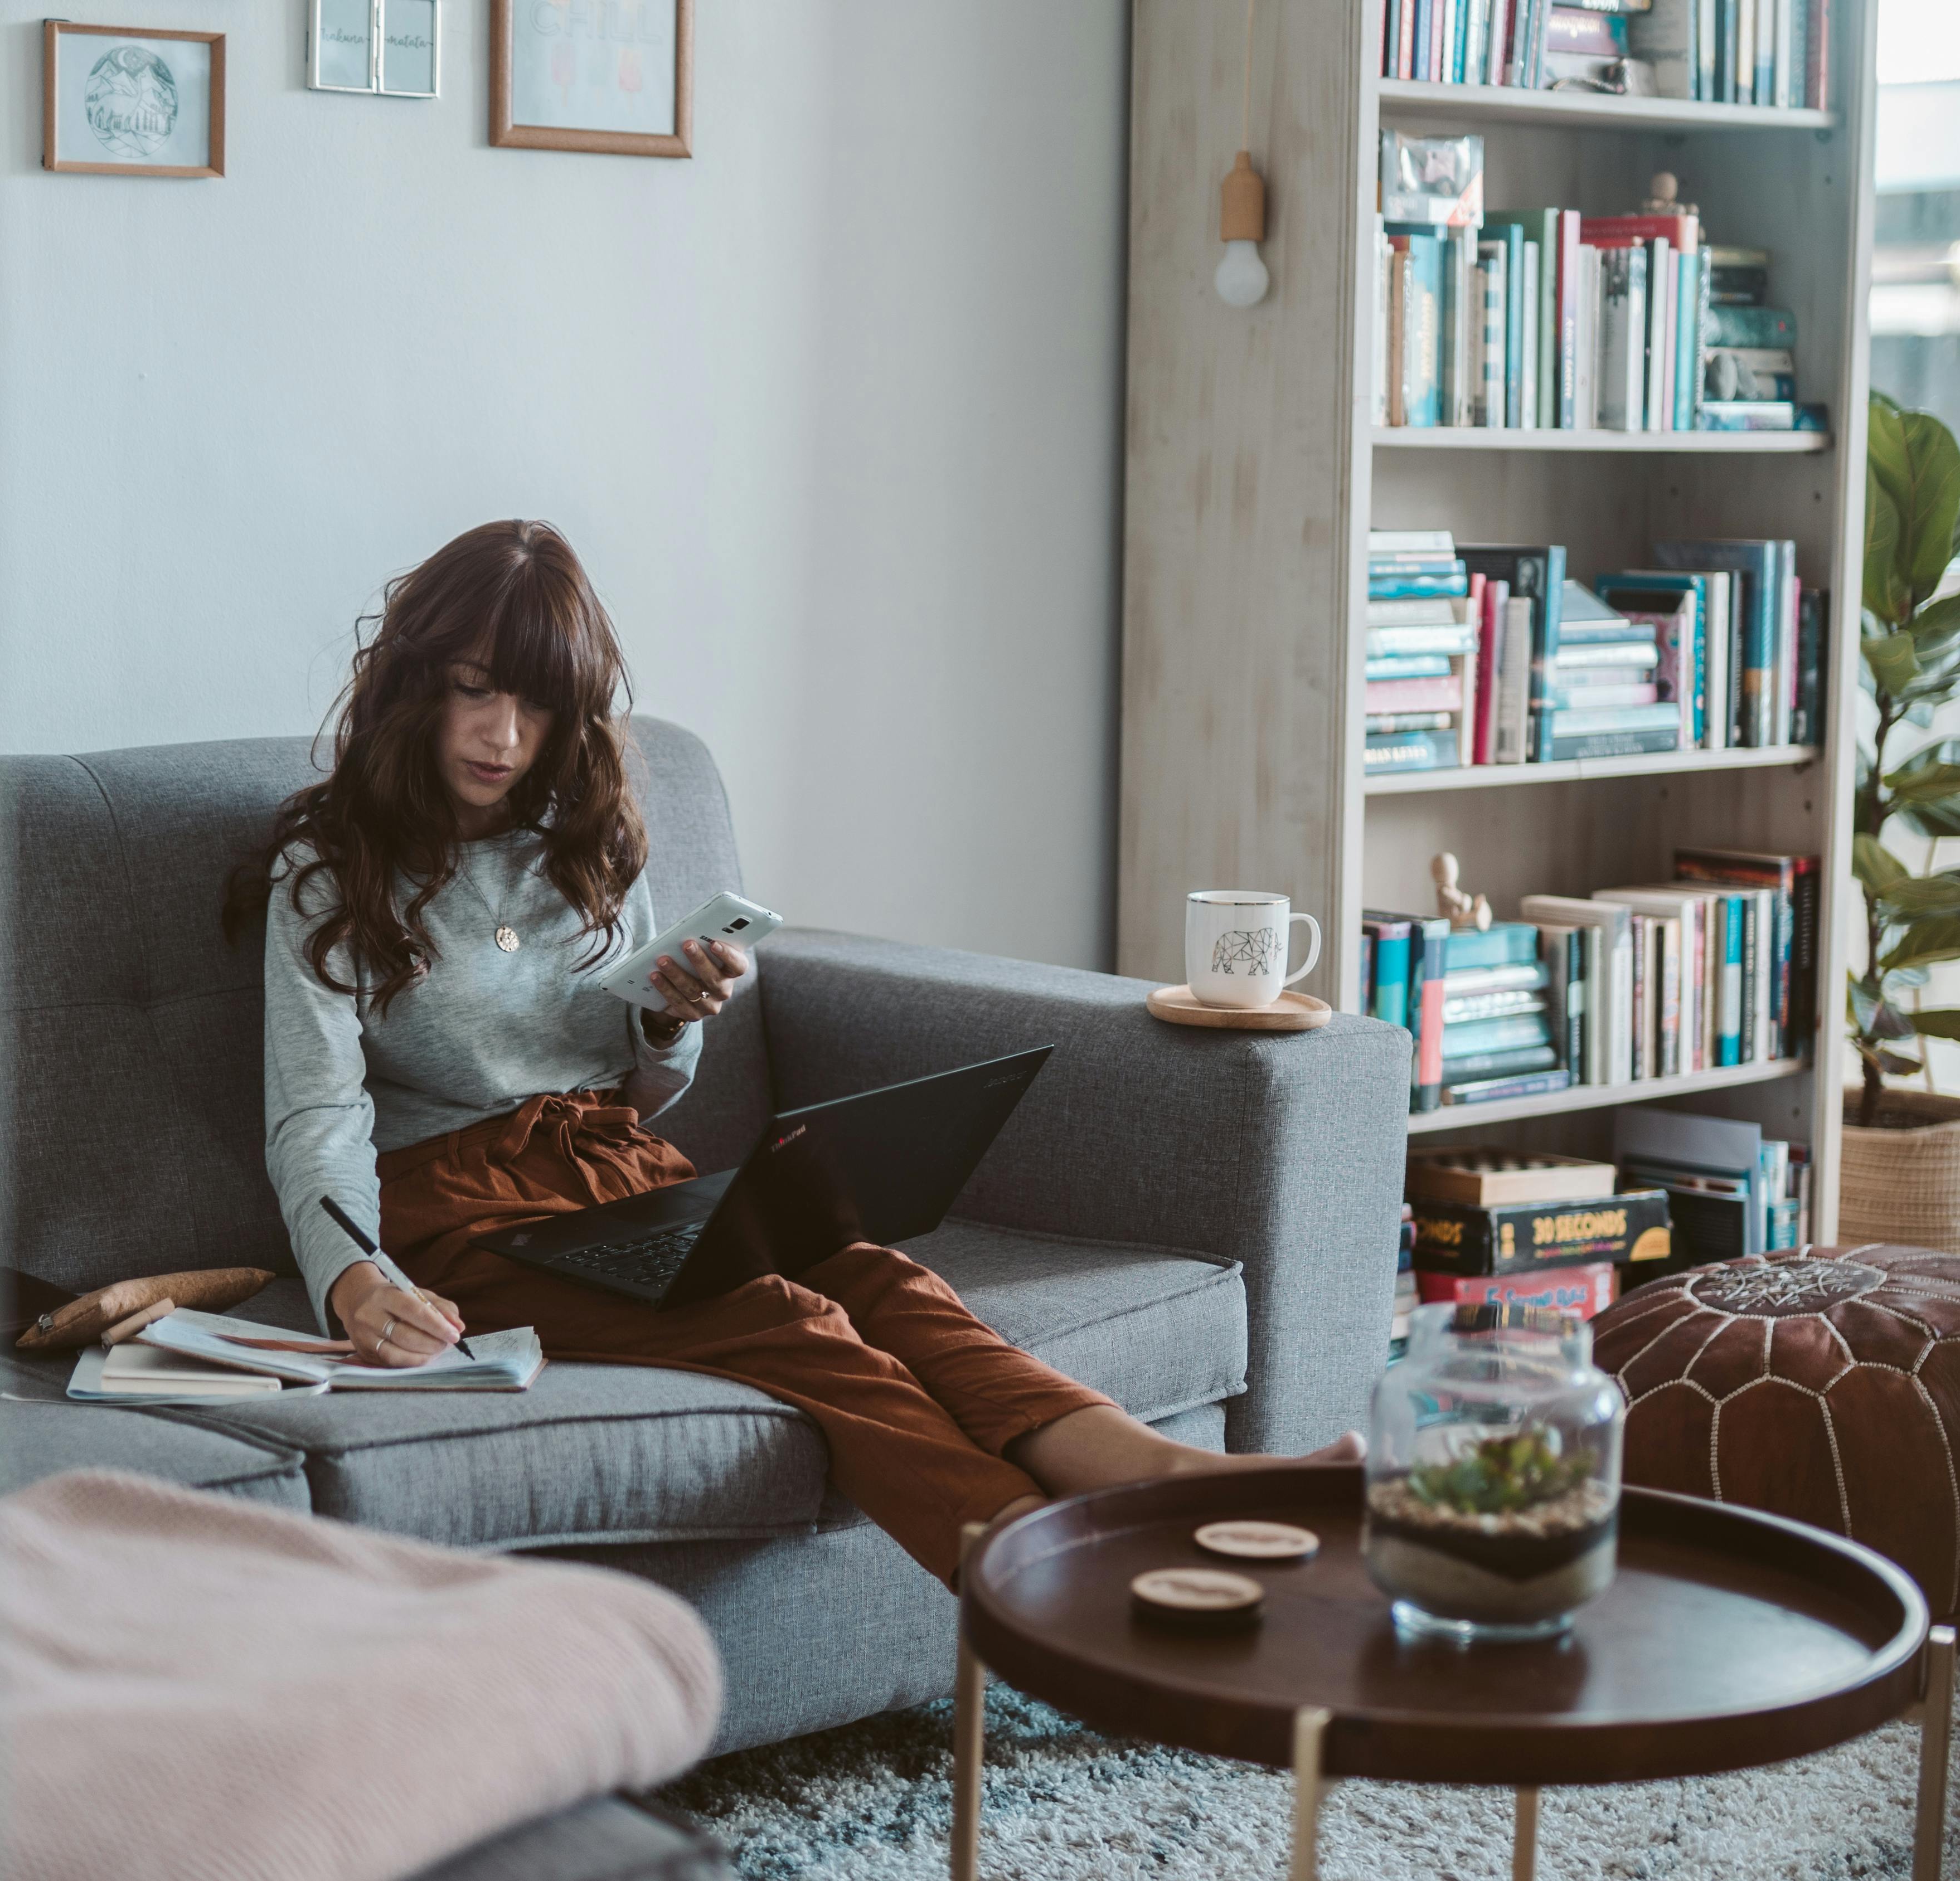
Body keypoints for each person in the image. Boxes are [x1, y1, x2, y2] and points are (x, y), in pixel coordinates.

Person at [228, 520, 1352, 1582]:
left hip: (618, 1172)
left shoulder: (584, 841)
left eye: (536, 703)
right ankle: (1040, 1572)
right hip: (463, 1217)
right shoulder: (329, 874)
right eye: (473, 690)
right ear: (417, 681)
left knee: (874, 1271)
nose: (501, 737)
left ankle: (1167, 1477)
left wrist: (670, 1017)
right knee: (789, 1320)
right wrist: (355, 1278)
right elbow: (316, 1113)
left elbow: (649, 1087)